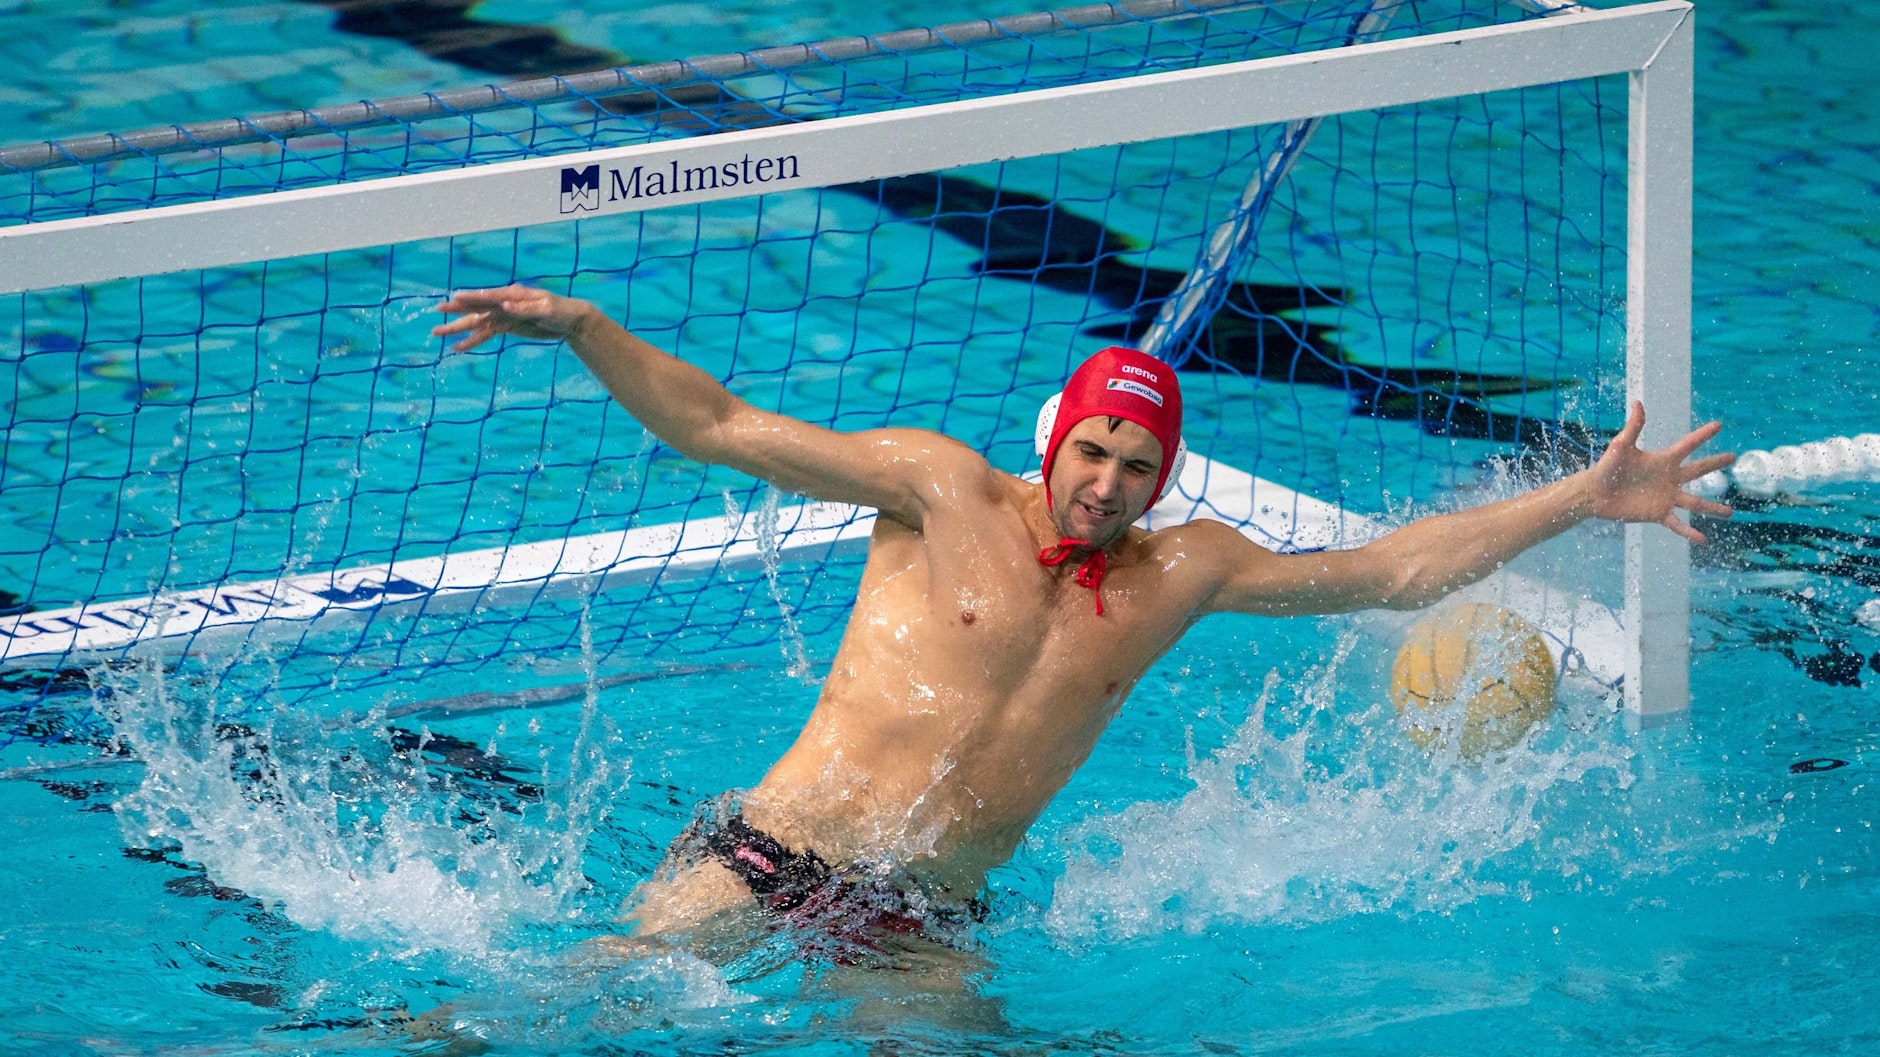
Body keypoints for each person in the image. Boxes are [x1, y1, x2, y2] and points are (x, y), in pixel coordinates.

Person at [432, 285, 1733, 959]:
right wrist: (586, 329)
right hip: (778, 848)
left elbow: (1393, 572)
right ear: (1057, 437)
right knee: (598, 1002)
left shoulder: (1183, 573)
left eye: (1137, 467)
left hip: (921, 914)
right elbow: (721, 425)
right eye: (1094, 451)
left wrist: (1581, 497)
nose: (1107, 484)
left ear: (1163, 481)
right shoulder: (939, 489)